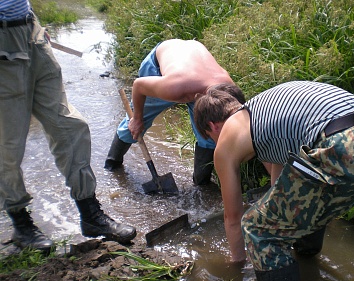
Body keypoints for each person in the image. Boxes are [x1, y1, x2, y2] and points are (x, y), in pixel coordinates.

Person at [194, 81, 354, 281]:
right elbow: (285, 188)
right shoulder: (268, 115)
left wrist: (236, 267)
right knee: (298, 202)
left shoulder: (228, 136)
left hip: (345, 145)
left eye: (211, 138)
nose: (216, 143)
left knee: (258, 231)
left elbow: (233, 218)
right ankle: (306, 256)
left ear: (213, 126)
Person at [0, 0, 137, 253]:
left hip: (31, 31)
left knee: (72, 127)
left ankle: (90, 214)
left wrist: (33, 23)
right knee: (8, 144)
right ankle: (21, 223)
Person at [104, 39, 244, 185]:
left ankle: (202, 183)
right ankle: (112, 165)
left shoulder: (230, 95)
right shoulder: (173, 89)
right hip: (160, 66)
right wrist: (137, 118)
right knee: (134, 126)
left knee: (208, 139)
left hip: (195, 67)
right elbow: (138, 86)